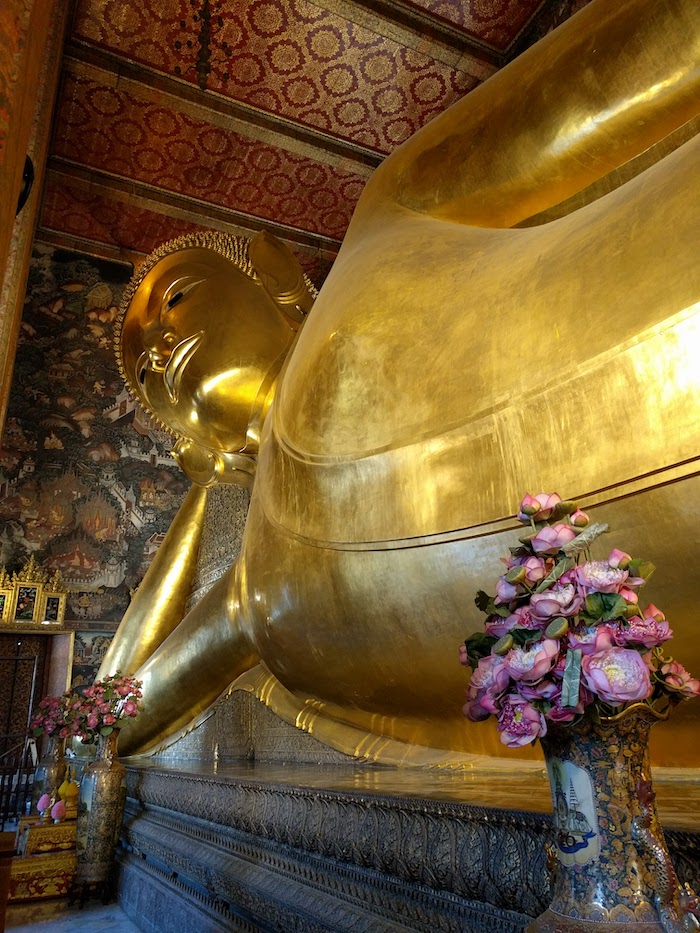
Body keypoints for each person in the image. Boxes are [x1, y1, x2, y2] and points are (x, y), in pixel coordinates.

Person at [102, 0, 700, 765]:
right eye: (148, 376)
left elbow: (615, 73)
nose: (160, 348)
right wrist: (210, 478)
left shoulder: (384, 223)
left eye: (178, 296)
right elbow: (110, 711)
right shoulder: (259, 585)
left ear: (277, 277)